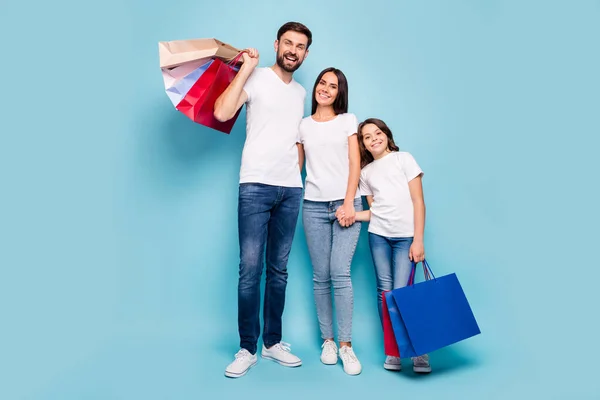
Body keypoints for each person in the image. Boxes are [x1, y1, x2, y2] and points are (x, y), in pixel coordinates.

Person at [213, 21, 312, 379]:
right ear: (277, 44)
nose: (293, 50)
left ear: (305, 53)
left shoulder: (301, 93)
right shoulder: (254, 79)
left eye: (300, 46)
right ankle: (246, 348)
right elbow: (222, 112)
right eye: (288, 43)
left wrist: (296, 177)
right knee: (249, 270)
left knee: (279, 271)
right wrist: (246, 70)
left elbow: (297, 139)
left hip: (290, 190)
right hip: (255, 185)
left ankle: (272, 344)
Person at [337, 118, 432, 374]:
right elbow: (375, 211)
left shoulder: (404, 159)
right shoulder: (366, 174)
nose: (373, 139)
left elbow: (418, 202)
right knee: (385, 294)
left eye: (377, 133)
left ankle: (418, 351)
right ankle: (393, 350)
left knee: (403, 293)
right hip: (378, 237)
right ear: (364, 145)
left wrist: (418, 239)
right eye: (367, 137)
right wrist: (352, 215)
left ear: (386, 135)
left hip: (405, 238)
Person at [297, 67, 362, 375]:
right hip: (312, 205)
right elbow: (296, 166)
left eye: (332, 86)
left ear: (339, 93)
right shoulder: (303, 126)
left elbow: (354, 162)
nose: (324, 88)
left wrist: (349, 202)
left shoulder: (348, 121)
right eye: (322, 82)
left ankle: (347, 346)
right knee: (320, 276)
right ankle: (328, 341)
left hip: (345, 204)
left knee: (340, 272)